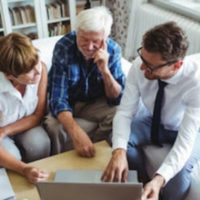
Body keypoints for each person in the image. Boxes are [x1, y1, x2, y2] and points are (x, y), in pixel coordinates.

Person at [101, 21, 200, 200]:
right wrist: (119, 152)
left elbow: (185, 141)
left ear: (176, 65)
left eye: (150, 66)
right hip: (153, 121)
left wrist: (160, 178)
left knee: (176, 181)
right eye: (142, 58)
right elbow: (124, 112)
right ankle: (139, 185)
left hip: (187, 130)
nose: (141, 67)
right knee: (118, 141)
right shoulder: (140, 65)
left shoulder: (196, 82)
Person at [46, 6, 125, 157]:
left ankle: (95, 152)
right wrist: (76, 133)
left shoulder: (114, 50)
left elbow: (116, 98)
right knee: (53, 126)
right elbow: (58, 98)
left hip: (95, 103)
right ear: (77, 32)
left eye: (96, 41)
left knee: (119, 113)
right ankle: (58, 160)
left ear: (105, 38)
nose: (89, 47)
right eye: (83, 39)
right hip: (70, 102)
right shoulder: (64, 47)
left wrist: (105, 70)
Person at [0, 32, 50, 182]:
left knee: (40, 143)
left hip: (22, 125)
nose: (38, 71)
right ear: (10, 76)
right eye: (29, 71)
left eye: (37, 62)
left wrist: (4, 130)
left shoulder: (41, 69)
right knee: (13, 157)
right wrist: (24, 169)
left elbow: (37, 116)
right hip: (3, 135)